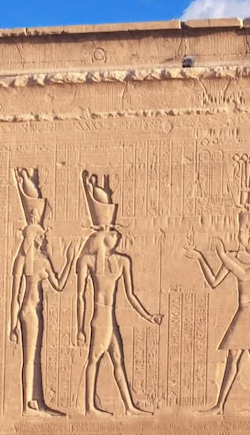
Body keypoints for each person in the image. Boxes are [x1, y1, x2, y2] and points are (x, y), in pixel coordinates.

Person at [188, 209, 250, 413]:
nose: (238, 234)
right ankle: (220, 406)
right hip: (242, 312)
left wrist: (221, 255)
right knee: (234, 356)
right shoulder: (235, 257)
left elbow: (245, 276)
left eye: (242, 230)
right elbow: (213, 282)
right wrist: (201, 258)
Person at [76, 226, 163, 415]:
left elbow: (131, 295)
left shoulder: (122, 261)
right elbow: (81, 296)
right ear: (100, 237)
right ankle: (89, 406)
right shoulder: (87, 261)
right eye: (111, 232)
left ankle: (129, 407)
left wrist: (149, 316)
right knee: (94, 359)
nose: (117, 235)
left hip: (110, 320)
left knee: (117, 360)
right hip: (100, 319)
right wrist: (80, 328)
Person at [8, 168, 67, 415]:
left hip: (26, 310)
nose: (44, 240)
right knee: (32, 356)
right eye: (41, 237)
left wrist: (12, 323)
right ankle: (30, 403)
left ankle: (34, 401)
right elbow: (59, 285)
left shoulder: (26, 260)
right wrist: (72, 261)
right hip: (31, 310)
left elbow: (16, 296)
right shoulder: (36, 261)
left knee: (33, 356)